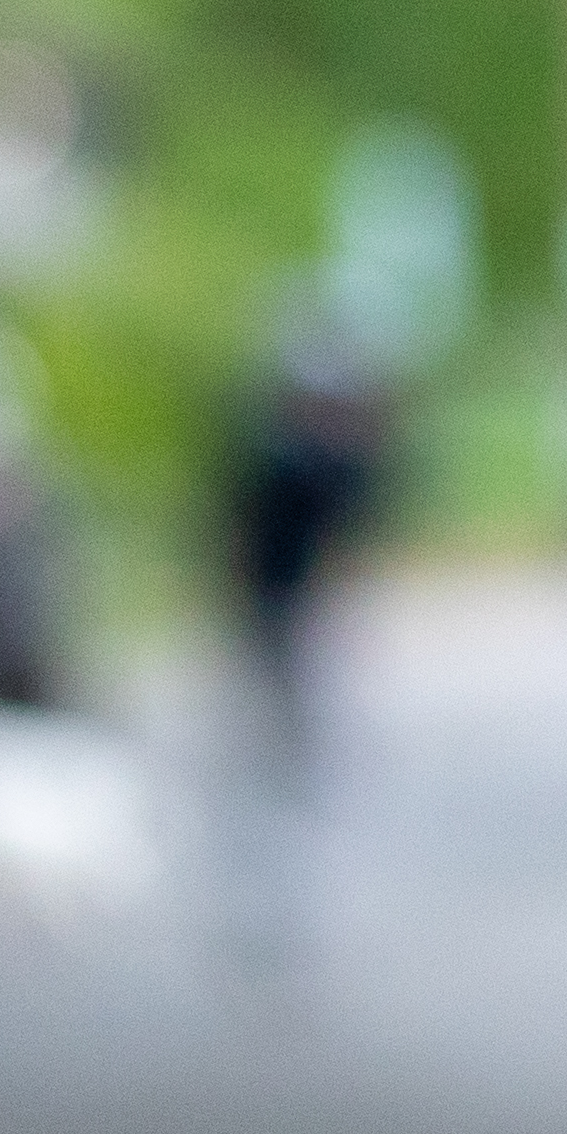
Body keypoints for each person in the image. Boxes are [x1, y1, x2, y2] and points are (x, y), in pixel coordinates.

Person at [213, 303, 397, 790]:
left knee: (293, 673)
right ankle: (283, 757)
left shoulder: (311, 459)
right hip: (274, 580)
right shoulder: (290, 458)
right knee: (281, 672)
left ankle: (289, 756)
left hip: (289, 582)